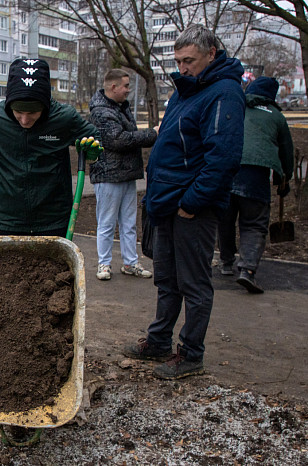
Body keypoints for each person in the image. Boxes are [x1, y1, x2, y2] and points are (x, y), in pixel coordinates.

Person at [123, 24, 245, 379]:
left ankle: (191, 354)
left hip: (191, 209)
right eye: (178, 61)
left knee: (193, 283)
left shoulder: (224, 93)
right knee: (167, 279)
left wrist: (191, 203)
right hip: (167, 205)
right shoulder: (185, 92)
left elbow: (222, 158)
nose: (182, 68)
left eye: (189, 60)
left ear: (211, 54)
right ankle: (159, 340)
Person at [0, 58, 101, 237]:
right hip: (7, 217)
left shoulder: (64, 118)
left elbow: (94, 137)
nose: (25, 120)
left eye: (33, 112)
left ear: (46, 105)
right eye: (18, 112)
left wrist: (93, 152)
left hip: (52, 217)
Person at [218, 76, 294, 294]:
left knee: (225, 219)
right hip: (256, 175)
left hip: (228, 170)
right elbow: (286, 152)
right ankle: (247, 270)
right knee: (254, 223)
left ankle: (225, 262)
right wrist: (284, 180)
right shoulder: (277, 116)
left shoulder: (236, 107)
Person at [88, 69, 157, 280]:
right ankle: (104, 264)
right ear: (113, 87)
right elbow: (117, 140)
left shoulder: (120, 108)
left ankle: (130, 262)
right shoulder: (101, 111)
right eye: (126, 86)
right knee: (107, 222)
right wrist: (153, 134)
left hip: (125, 174)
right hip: (108, 175)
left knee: (129, 223)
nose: (129, 90)